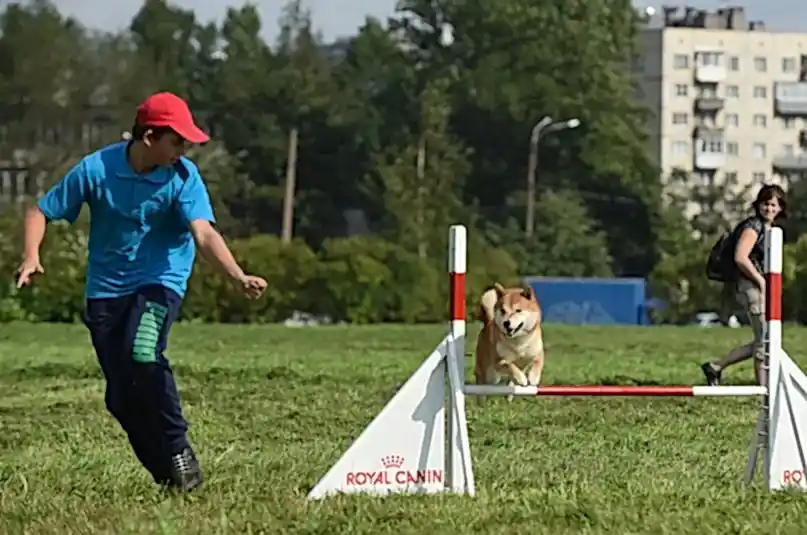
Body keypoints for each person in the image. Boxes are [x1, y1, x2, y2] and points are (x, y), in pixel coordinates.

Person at [15, 91, 268, 492]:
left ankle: (178, 447)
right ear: (149, 137)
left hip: (160, 280)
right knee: (120, 396)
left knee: (144, 349)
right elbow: (40, 211)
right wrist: (31, 256)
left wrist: (236, 276)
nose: (184, 150)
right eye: (177, 141)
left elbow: (203, 233)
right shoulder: (97, 168)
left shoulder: (183, 176)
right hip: (106, 290)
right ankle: (169, 475)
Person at [701, 184, 787, 387]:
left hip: (755, 286)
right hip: (749, 286)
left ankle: (715, 366)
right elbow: (741, 257)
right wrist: (761, 281)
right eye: (765, 204)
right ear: (758, 205)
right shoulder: (753, 226)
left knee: (764, 340)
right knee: (765, 341)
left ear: (781, 208)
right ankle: (764, 390)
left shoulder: (769, 229)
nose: (769, 208)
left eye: (774, 205)